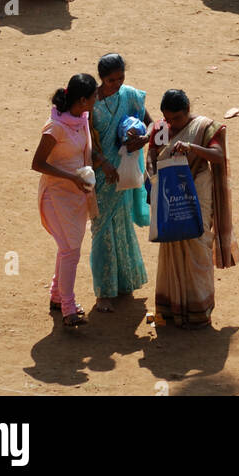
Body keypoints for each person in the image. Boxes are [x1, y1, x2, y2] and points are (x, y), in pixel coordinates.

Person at [146, 88, 239, 327]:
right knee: (171, 245)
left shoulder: (205, 128)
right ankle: (171, 309)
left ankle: (199, 310)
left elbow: (217, 156)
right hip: (169, 193)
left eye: (177, 118)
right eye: (167, 118)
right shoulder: (161, 129)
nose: (172, 123)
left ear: (188, 110)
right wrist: (154, 183)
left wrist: (192, 148)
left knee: (198, 244)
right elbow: (152, 156)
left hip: (198, 188)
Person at [31, 73, 98, 330]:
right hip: (56, 195)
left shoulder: (82, 118)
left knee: (67, 248)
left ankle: (57, 296)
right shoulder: (55, 127)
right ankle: (68, 308)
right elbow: (37, 163)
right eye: (93, 96)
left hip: (76, 194)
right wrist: (71, 177)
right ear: (82, 99)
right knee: (71, 250)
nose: (95, 100)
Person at [89, 53, 151, 312]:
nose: (117, 84)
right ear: (101, 78)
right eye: (111, 80)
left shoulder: (130, 95)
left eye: (120, 78)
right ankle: (104, 291)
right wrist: (103, 162)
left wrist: (143, 139)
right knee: (101, 230)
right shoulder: (89, 101)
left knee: (122, 225)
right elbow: (85, 141)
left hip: (124, 172)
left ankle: (125, 283)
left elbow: (151, 123)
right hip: (103, 175)